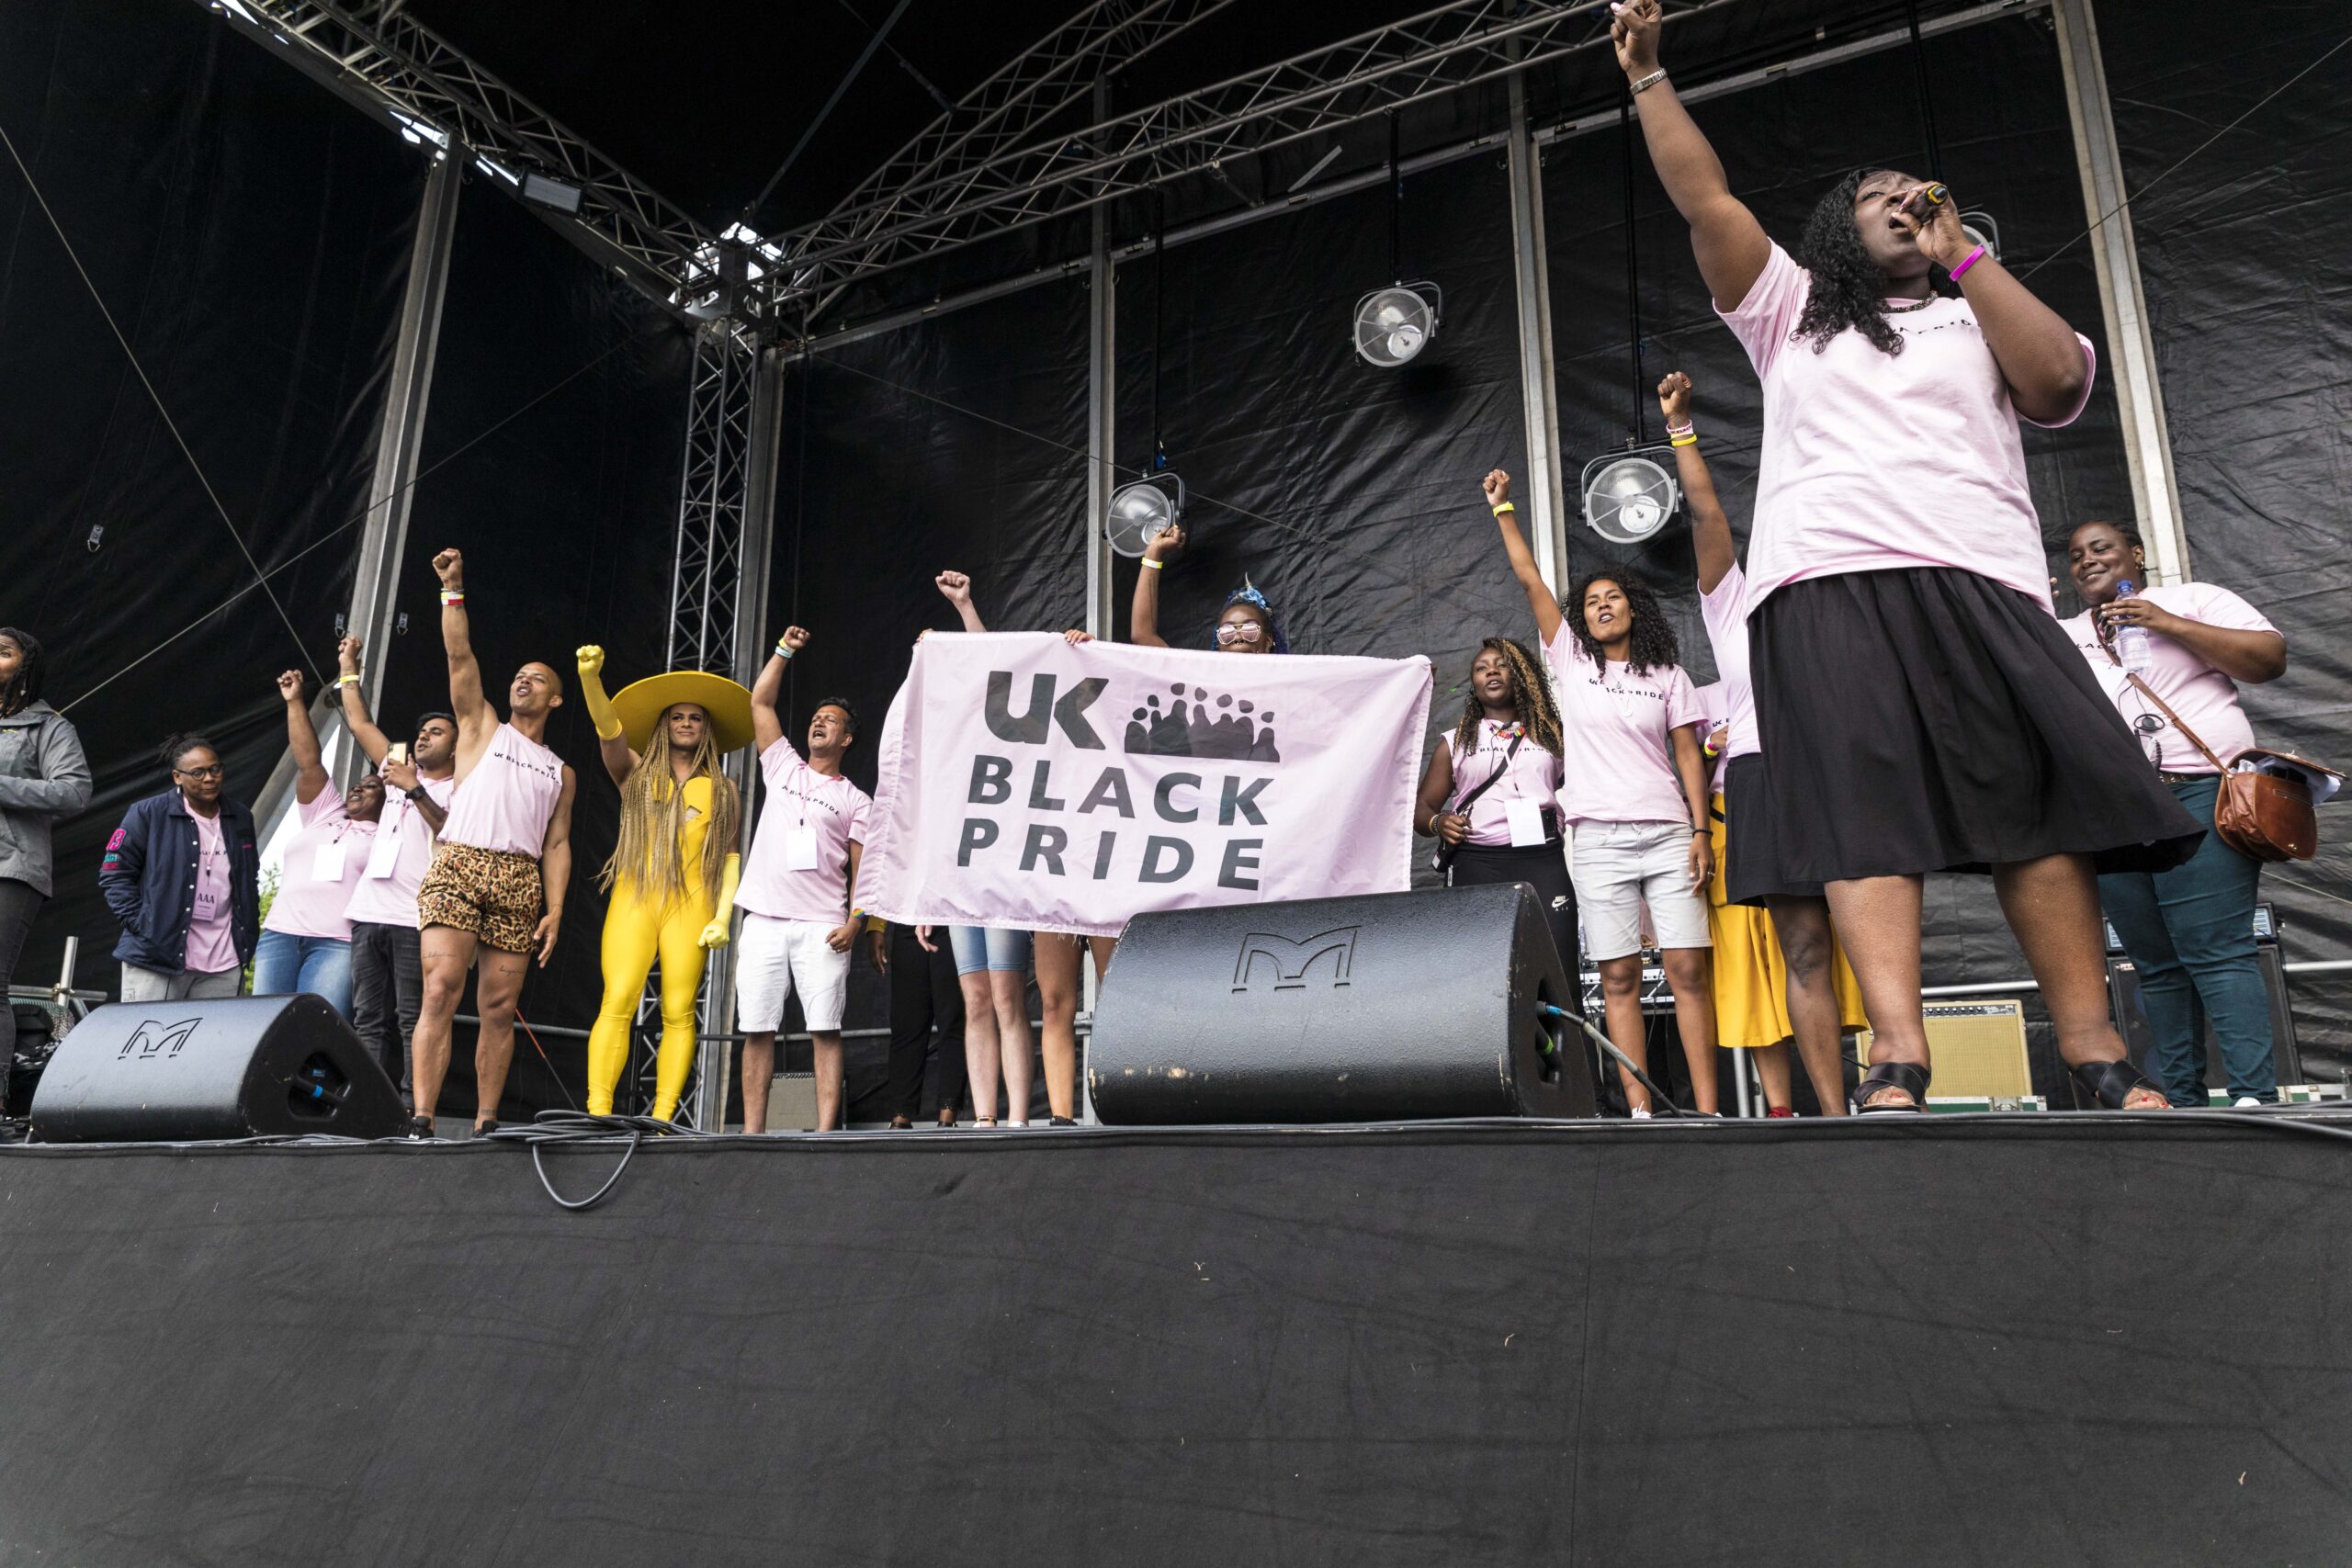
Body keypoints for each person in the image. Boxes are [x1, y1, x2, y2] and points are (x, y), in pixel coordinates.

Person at [1611, 0, 2199, 1111]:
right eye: (1876, 199)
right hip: (1823, 585)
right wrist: (1647, 78)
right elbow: (1706, 198)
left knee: (2034, 813)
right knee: (1862, 815)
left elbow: (2060, 385)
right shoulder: (1789, 311)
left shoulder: (1978, 305)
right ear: (1838, 231)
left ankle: (2097, 1054)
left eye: (1915, 198)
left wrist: (1963, 252)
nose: (1900, 206)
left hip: (1980, 580)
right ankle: (1897, 1057)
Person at [1661, 371, 1866, 1117]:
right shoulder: (1734, 602)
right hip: (1761, 777)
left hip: (1841, 777)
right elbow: (1707, 514)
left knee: (1872, 946)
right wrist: (1682, 430)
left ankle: (1893, 1091)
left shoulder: (1850, 594)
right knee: (1804, 949)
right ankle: (1832, 1117)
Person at [1486, 471, 1719, 1115]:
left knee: (1689, 973)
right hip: (1595, 838)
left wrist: (1701, 831)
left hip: (1670, 836)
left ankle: (1706, 1110)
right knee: (1619, 977)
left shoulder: (1669, 675)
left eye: (1614, 596)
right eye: (1591, 601)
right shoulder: (1570, 663)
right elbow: (1531, 579)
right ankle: (1642, 1110)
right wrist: (1504, 507)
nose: (1602, 605)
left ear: (1633, 608)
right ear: (1582, 619)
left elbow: (1687, 757)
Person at [2064, 519, 2291, 1107]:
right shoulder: (2064, 635)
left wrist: (2162, 622)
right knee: (2153, 964)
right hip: (2118, 813)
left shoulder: (2193, 600)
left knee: (2215, 950)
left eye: (2102, 548)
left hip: (2199, 794)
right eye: (2076, 556)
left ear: (2135, 553)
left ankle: (2252, 1097)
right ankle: (2181, 1100)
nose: (2088, 560)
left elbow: (2268, 659)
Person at [411, 548, 579, 1138]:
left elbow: (557, 845)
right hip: (460, 862)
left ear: (556, 700)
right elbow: (460, 655)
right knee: (439, 988)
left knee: (499, 1009)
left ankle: (485, 1121)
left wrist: (555, 909)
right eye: (518, 675)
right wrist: (452, 588)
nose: (522, 681)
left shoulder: (561, 771)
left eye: (536, 679)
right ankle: (423, 1117)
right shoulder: (483, 725)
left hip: (519, 878)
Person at [574, 649, 749, 1122]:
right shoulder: (635, 772)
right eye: (677, 716)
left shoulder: (724, 789)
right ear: (664, 724)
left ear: (707, 728)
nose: (686, 723)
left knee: (678, 1009)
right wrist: (591, 679)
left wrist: (722, 914)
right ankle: (598, 1113)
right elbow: (608, 729)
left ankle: (664, 1119)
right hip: (636, 896)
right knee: (619, 997)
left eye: (695, 717)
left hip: (692, 903)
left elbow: (731, 858)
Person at [736, 626, 869, 1134]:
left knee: (825, 1029)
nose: (819, 723)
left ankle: (825, 1129)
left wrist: (858, 923)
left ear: (846, 739)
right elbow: (760, 704)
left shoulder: (857, 800)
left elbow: (864, 872)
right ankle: (751, 1132)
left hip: (822, 926)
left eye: (830, 721)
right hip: (765, 919)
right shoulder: (784, 766)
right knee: (757, 1028)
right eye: (816, 718)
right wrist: (783, 651)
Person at [931, 570, 1038, 1127]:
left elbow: (987, 667)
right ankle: (984, 1119)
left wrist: (965, 606)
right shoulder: (938, 743)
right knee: (974, 1001)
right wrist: (926, 895)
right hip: (957, 878)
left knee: (1006, 999)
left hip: (1002, 870)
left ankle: (1018, 1118)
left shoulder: (998, 725)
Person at [334, 636, 457, 1105]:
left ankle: (411, 1106)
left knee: (412, 1017)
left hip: (415, 918)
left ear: (456, 746)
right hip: (368, 913)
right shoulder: (398, 763)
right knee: (367, 1018)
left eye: (438, 733)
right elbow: (360, 720)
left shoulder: (462, 785)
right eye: (422, 732)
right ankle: (367, 1104)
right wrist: (348, 667)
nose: (424, 736)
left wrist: (413, 790)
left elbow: (451, 833)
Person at [1413, 637, 1577, 975]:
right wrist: (1439, 823)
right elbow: (1421, 807)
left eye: (1501, 664)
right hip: (1478, 862)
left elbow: (1587, 785)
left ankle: (1559, 1029)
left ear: (1519, 675)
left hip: (1542, 860)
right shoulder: (1456, 740)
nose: (1492, 670)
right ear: (1473, 684)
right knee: (1481, 970)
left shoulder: (1553, 735)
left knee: (1558, 966)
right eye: (1481, 667)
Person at [251, 670, 381, 1019]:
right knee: (263, 1027)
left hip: (336, 944)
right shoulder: (326, 813)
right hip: (279, 935)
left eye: (371, 786)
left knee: (315, 1030)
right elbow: (308, 760)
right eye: (357, 784)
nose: (357, 788)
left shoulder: (389, 833)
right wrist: (295, 702)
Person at [0, 627, 91, 1115]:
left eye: (3, 652)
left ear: (25, 667)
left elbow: (74, 792)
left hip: (11, 866)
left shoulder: (49, 727)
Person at [101, 732, 258, 1002]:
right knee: (147, 1040)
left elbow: (249, 878)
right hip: (157, 955)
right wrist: (143, 924)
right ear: (177, 776)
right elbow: (114, 873)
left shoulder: (240, 817)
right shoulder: (147, 813)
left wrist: (247, 934)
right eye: (197, 773)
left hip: (224, 959)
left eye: (215, 769)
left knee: (212, 1043)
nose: (209, 778)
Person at [870, 920, 969, 1129]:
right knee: (906, 1023)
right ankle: (900, 1116)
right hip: (909, 918)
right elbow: (885, 885)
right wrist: (876, 927)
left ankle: (948, 1116)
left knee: (952, 1019)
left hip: (950, 917)